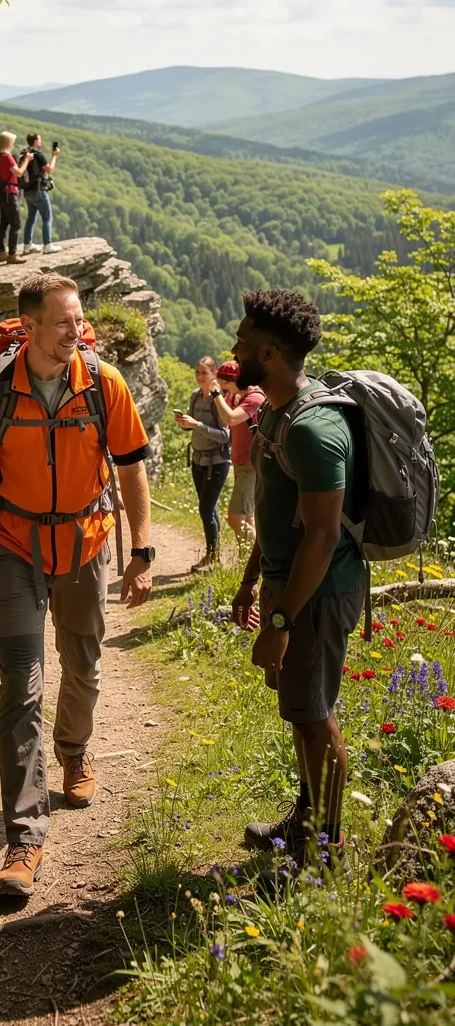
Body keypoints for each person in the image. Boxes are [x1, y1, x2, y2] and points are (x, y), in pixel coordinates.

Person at [0, 271, 154, 897]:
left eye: (78, 319)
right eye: (62, 322)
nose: (75, 331)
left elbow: (133, 462)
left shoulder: (102, 383)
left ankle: (75, 748)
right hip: (11, 546)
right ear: (29, 327)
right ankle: (24, 839)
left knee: (83, 664)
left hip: (86, 543)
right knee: (21, 689)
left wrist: (141, 548)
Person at [230, 289, 366, 885]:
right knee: (301, 713)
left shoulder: (314, 428)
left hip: (318, 593)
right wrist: (251, 582)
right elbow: (278, 509)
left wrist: (281, 624)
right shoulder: (277, 415)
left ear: (269, 351)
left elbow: (320, 536)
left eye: (242, 341)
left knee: (315, 717)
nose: (233, 351)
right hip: (291, 588)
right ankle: (304, 823)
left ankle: (326, 852)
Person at [173, 356, 231, 570]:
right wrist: (184, 423)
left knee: (206, 509)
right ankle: (213, 555)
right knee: (210, 508)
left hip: (217, 461)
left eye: (204, 372)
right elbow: (192, 426)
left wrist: (196, 424)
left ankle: (212, 556)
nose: (199, 376)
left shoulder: (218, 400)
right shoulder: (195, 396)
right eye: (197, 372)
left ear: (214, 374)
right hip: (198, 459)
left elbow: (225, 436)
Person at [210, 359, 264, 546]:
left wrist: (216, 394)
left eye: (223, 382)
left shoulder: (255, 398)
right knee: (247, 517)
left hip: (251, 465)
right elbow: (224, 418)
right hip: (241, 462)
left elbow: (231, 419)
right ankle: (247, 561)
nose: (221, 386)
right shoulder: (235, 396)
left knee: (234, 518)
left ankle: (261, 553)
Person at [0, 131, 33, 266]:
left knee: (4, 223)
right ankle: (12, 254)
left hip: (1, 193)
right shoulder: (6, 156)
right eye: (12, 141)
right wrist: (27, 160)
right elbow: (19, 172)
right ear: (8, 142)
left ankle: (2, 252)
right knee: (16, 224)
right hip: (9, 193)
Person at [21, 133, 61, 255]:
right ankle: (47, 245)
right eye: (40, 139)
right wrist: (54, 156)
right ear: (36, 141)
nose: (41, 141)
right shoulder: (38, 154)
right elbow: (49, 170)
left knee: (31, 218)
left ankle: (27, 245)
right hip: (38, 190)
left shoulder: (24, 153)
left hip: (27, 190)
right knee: (47, 217)